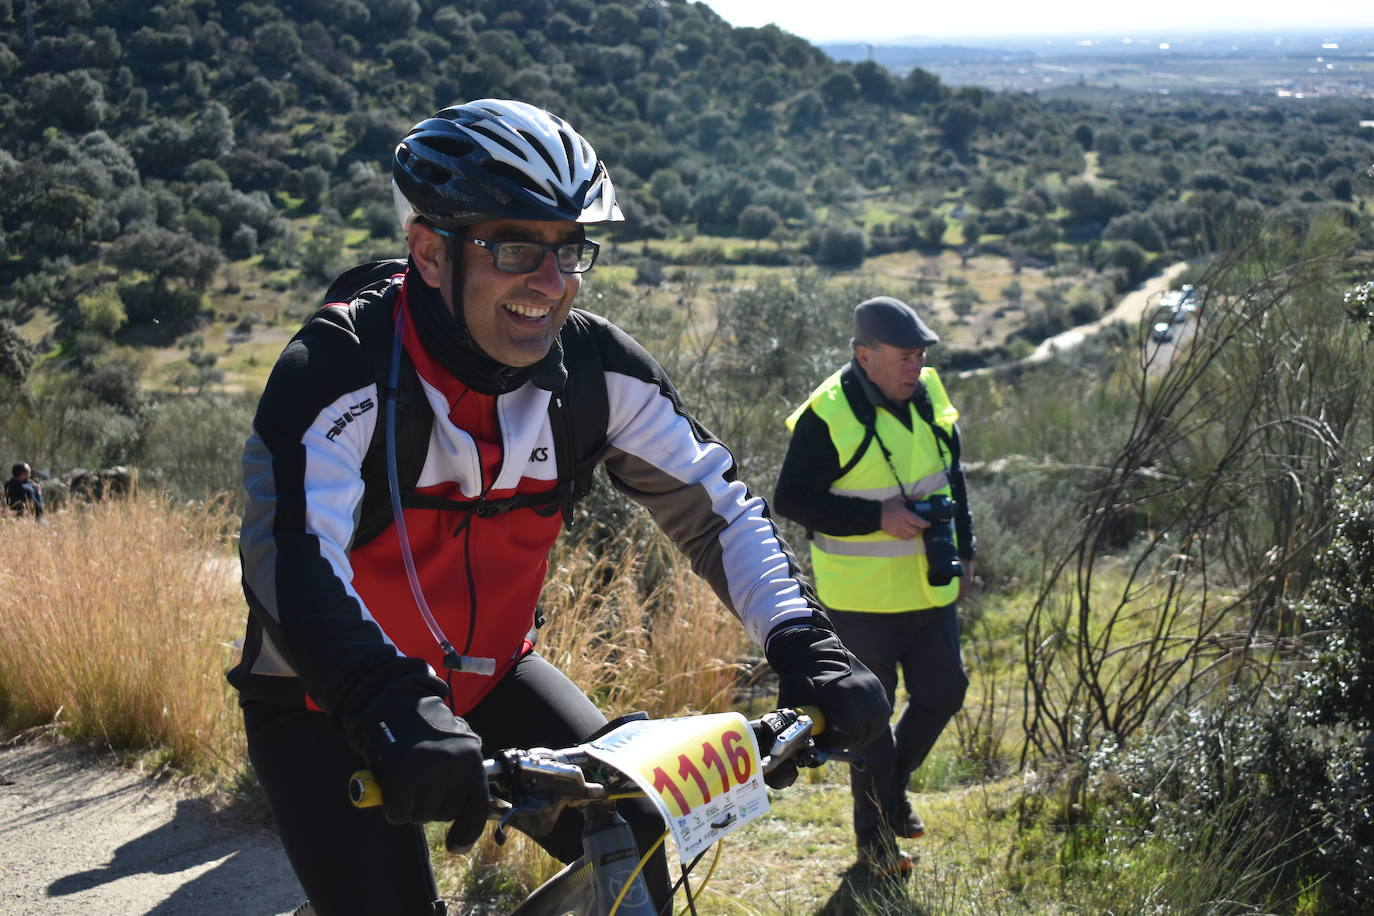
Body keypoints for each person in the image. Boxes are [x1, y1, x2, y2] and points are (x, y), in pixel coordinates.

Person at [231, 99, 890, 916]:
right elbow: (290, 558)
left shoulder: (595, 368)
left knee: (633, 843)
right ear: (429, 250)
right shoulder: (337, 369)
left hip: (493, 678)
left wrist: (805, 642)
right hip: (328, 702)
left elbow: (717, 509)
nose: (552, 284)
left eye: (569, 249)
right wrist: (383, 699)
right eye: (515, 247)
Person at [772, 296, 975, 876]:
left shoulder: (929, 392)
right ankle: (877, 847)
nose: (916, 366)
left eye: (920, 355)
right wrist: (876, 518)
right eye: (905, 356)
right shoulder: (826, 415)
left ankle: (891, 793)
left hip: (931, 589)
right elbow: (791, 500)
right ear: (865, 356)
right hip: (861, 602)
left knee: (944, 692)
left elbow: (952, 475)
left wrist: (966, 550)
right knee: (870, 722)